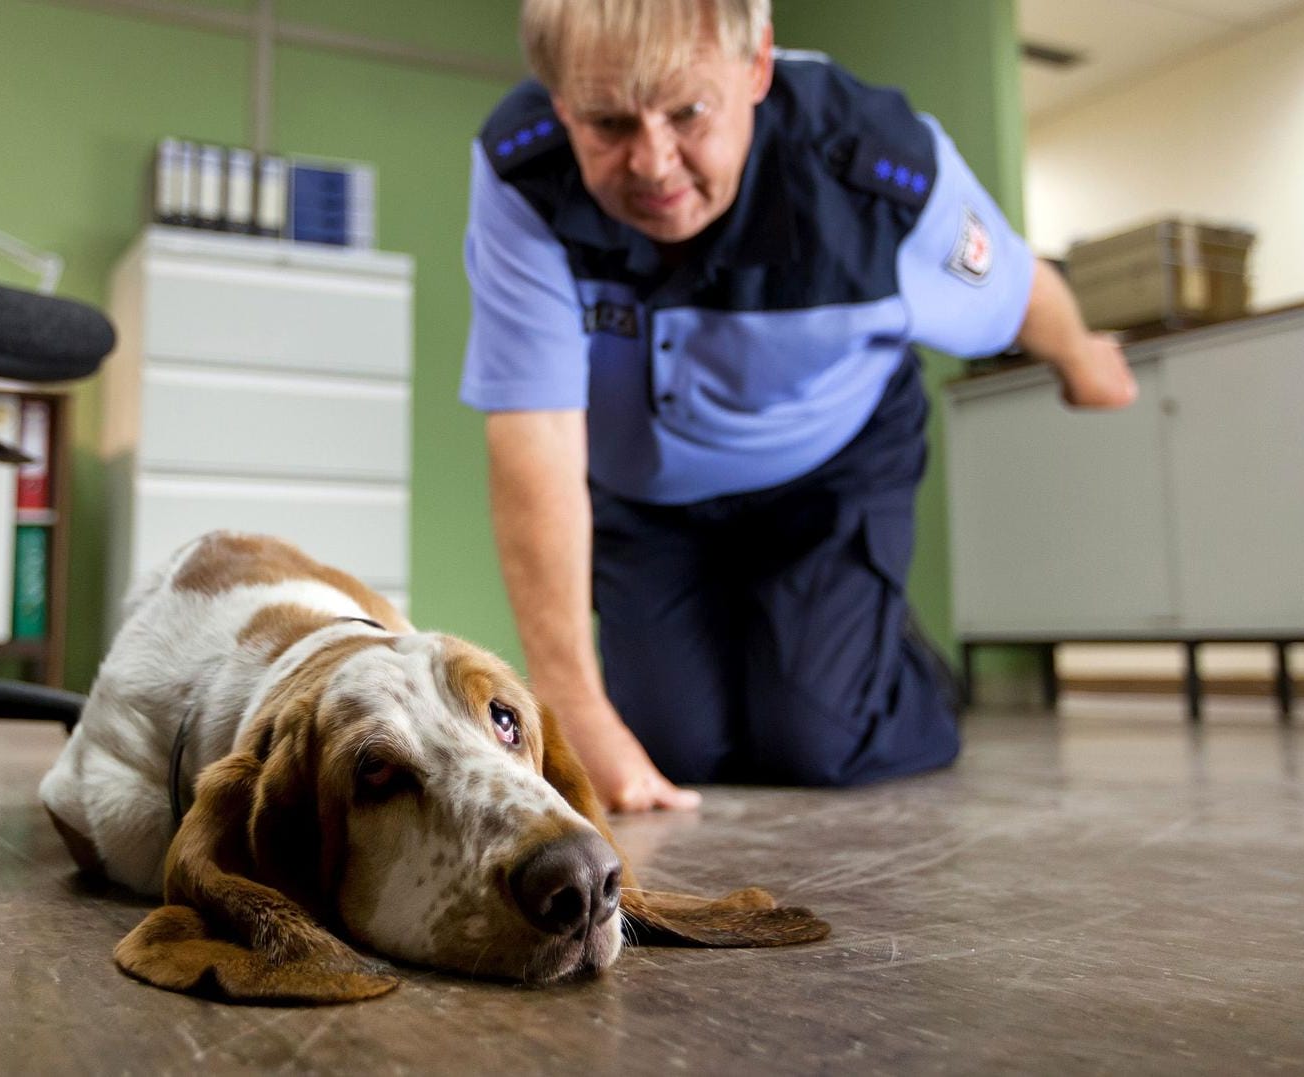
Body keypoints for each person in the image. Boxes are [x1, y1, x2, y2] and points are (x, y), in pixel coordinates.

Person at [459, 0, 1137, 812]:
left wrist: (1080, 359)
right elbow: (533, 428)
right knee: (670, 747)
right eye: (607, 122)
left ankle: (891, 662)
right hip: (645, 492)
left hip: (826, 468)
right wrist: (571, 703)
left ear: (755, 68)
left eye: (687, 112)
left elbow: (1015, 287)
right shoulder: (521, 171)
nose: (653, 162)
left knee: (814, 738)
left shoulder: (875, 168)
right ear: (559, 99)